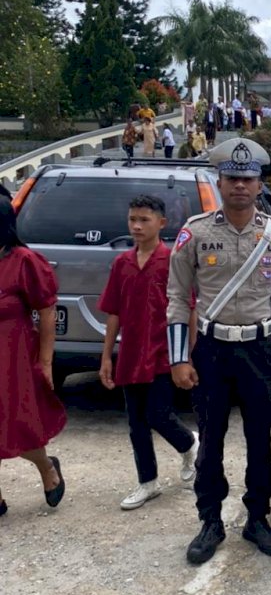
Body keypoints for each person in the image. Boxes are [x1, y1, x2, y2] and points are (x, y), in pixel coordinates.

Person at [167, 138, 271, 564]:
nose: (240, 186)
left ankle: (258, 517)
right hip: (211, 350)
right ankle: (209, 520)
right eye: (232, 178)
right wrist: (179, 358)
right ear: (219, 181)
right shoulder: (196, 231)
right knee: (210, 439)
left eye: (247, 179)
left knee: (260, 439)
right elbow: (176, 296)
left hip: (260, 350)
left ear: (259, 183)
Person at [98, 195, 198, 510]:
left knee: (158, 414)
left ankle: (189, 443)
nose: (137, 226)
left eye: (145, 220)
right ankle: (148, 483)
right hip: (130, 353)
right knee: (135, 423)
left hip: (163, 352)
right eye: (133, 220)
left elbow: (189, 310)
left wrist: (189, 354)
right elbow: (113, 311)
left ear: (162, 223)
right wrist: (106, 357)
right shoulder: (122, 264)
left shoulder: (172, 262)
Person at [0, 198, 66, 518]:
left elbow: (47, 309)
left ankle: (46, 467)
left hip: (12, 355)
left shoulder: (23, 260)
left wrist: (46, 361)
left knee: (18, 425)